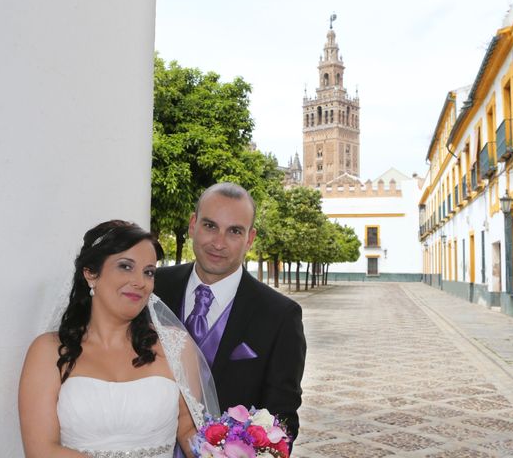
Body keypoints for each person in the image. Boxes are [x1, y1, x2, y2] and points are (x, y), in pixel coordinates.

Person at [18, 220, 217, 458]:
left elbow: (188, 426)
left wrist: (223, 451)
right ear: (91, 274)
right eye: (125, 266)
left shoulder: (176, 346)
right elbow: (40, 450)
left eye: (149, 272)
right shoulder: (48, 350)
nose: (140, 282)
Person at [154, 183, 307, 445]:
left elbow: (281, 421)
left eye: (234, 231)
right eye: (210, 226)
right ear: (193, 225)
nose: (218, 242)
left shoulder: (280, 315)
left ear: (250, 238)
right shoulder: (153, 289)